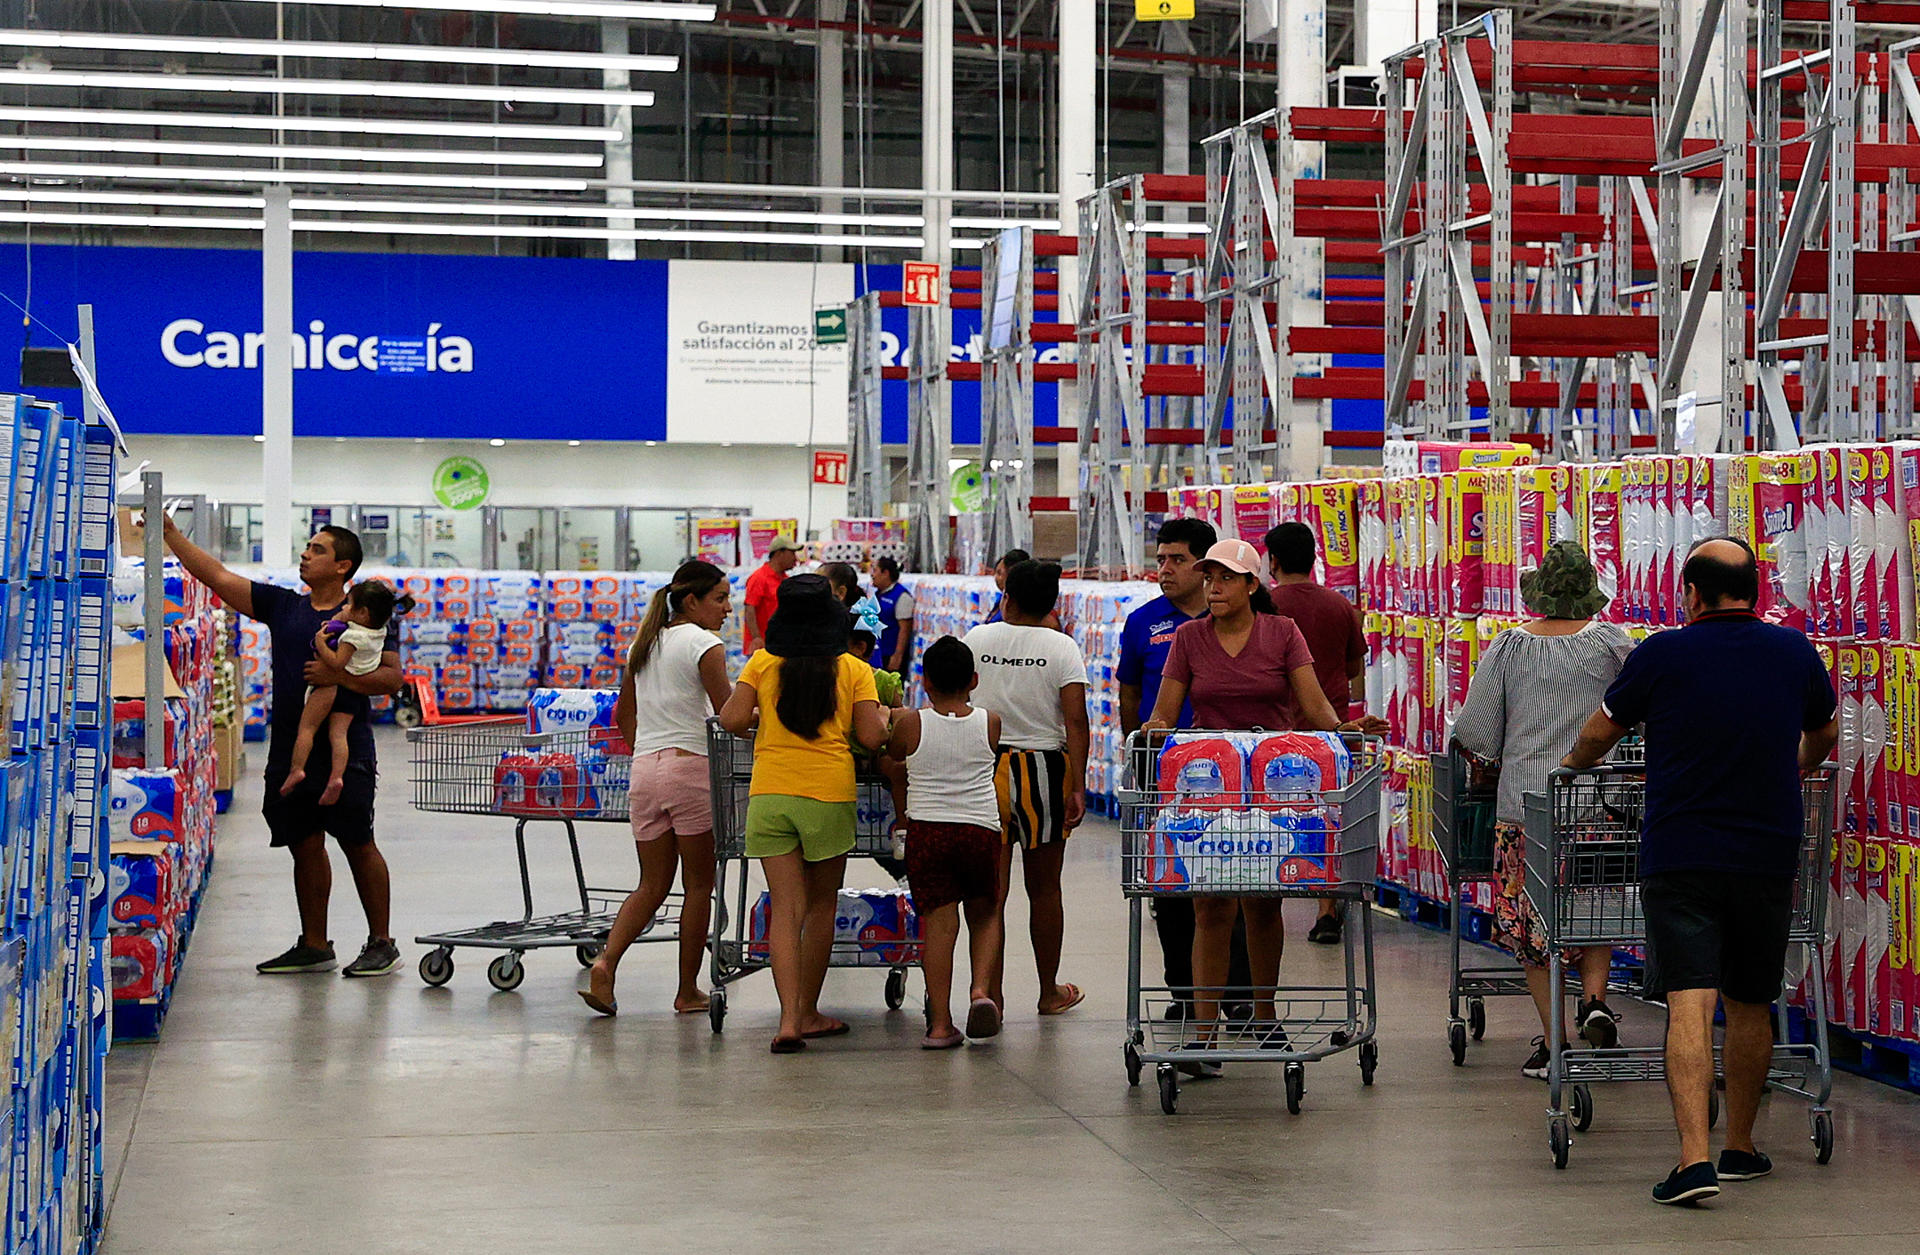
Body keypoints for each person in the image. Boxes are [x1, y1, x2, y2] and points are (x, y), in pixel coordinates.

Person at [1563, 538, 1838, 1206]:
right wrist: (1793, 765)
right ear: (1757, 591)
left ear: (1690, 591)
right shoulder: (1795, 652)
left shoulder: (1661, 653)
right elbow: (1826, 732)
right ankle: (1740, 1146)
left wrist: (1573, 765)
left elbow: (1601, 732)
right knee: (1751, 998)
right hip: (1766, 851)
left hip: (1681, 851)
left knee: (1691, 995)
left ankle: (1693, 1161)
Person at [1144, 539, 1365, 1077]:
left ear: (1251, 586)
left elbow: (1313, 707)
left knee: (1264, 904)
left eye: (1224, 578)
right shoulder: (1190, 639)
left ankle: (1264, 1017)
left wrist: (1344, 733)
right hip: (1208, 787)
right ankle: (1202, 1033)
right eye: (1210, 577)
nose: (1214, 587)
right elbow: (1166, 712)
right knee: (1210, 907)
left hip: (1272, 789)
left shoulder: (1283, 633)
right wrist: (1149, 734)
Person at [161, 518, 403, 977]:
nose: (306, 553)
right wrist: (171, 536)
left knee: (357, 841)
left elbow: (392, 679)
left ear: (342, 566)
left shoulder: (370, 615)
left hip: (345, 750)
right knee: (304, 842)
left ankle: (382, 942)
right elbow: (217, 576)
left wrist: (340, 678)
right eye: (307, 546)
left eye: (318, 549)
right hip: (290, 747)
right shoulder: (283, 606)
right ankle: (315, 944)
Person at [1450, 541, 1634, 1078]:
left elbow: (1476, 731)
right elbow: (1642, 710)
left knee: (1531, 928)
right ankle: (1595, 1001)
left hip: (1526, 809)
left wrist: (1498, 754)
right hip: (1600, 807)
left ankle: (1555, 1044)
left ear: (1540, 596)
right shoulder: (1612, 645)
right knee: (1593, 907)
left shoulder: (1509, 646)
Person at [719, 574, 888, 1053]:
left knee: (785, 910)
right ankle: (809, 1012)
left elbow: (731, 720)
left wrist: (762, 717)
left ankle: (788, 1020)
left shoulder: (762, 662)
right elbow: (873, 737)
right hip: (828, 794)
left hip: (770, 794)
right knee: (819, 907)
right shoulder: (853, 669)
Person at [581, 560, 733, 1017]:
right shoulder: (705, 645)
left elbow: (624, 714)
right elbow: (728, 714)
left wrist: (647, 751)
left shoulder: (643, 644)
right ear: (692, 601)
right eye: (721, 599)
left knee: (650, 884)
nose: (727, 609)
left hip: (645, 771)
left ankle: (606, 963)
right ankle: (687, 990)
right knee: (699, 885)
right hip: (690, 771)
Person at [1118, 518, 1252, 1019]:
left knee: (1237, 881)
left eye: (1177, 560)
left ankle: (1236, 995)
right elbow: (1130, 693)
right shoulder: (1143, 622)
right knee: (1172, 888)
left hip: (1236, 775)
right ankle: (1184, 994)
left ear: (1205, 566)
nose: (1165, 570)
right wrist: (1142, 755)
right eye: (1160, 560)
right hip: (1167, 773)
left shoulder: (1243, 621)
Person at [963, 560, 1090, 1017]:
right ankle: (1047, 992)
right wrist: (1077, 784)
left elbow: (958, 698)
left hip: (985, 768)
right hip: (1045, 771)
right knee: (1045, 889)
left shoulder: (977, 638)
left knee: (990, 893)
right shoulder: (1062, 648)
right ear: (1052, 603)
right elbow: (1076, 721)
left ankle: (988, 993)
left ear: (1007, 598)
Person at [888, 636, 1006, 1049]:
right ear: (974, 680)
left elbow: (892, 755)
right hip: (979, 829)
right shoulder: (990, 721)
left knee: (939, 925)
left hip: (928, 831)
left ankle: (940, 1025)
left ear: (924, 682)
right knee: (986, 913)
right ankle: (979, 991)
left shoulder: (911, 723)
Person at [1265, 521, 1372, 946]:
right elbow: (1353, 669)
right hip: (1331, 733)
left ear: (1272, 561)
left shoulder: (1264, 607)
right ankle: (1327, 910)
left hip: (1275, 732)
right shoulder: (1339, 607)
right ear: (1313, 558)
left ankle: (1265, 898)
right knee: (1328, 820)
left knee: (1270, 819)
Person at [280, 579, 399, 807]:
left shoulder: (353, 638)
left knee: (307, 728)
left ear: (362, 613)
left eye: (348, 605)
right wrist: (339, 622)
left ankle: (296, 770)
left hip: (331, 688)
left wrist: (320, 643)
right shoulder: (377, 632)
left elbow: (336, 663)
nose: (343, 609)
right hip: (353, 695)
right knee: (339, 736)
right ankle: (336, 778)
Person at [742, 536, 801, 656]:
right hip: (762, 646)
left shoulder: (786, 580)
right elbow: (749, 609)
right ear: (780, 553)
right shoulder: (759, 578)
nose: (795, 558)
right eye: (792, 553)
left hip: (781, 645)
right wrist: (756, 638)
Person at [871, 555, 915, 674]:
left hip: (890, 655)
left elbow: (904, 629)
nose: (872, 575)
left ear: (886, 573)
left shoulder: (901, 597)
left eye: (875, 571)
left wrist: (897, 656)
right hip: (877, 653)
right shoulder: (878, 595)